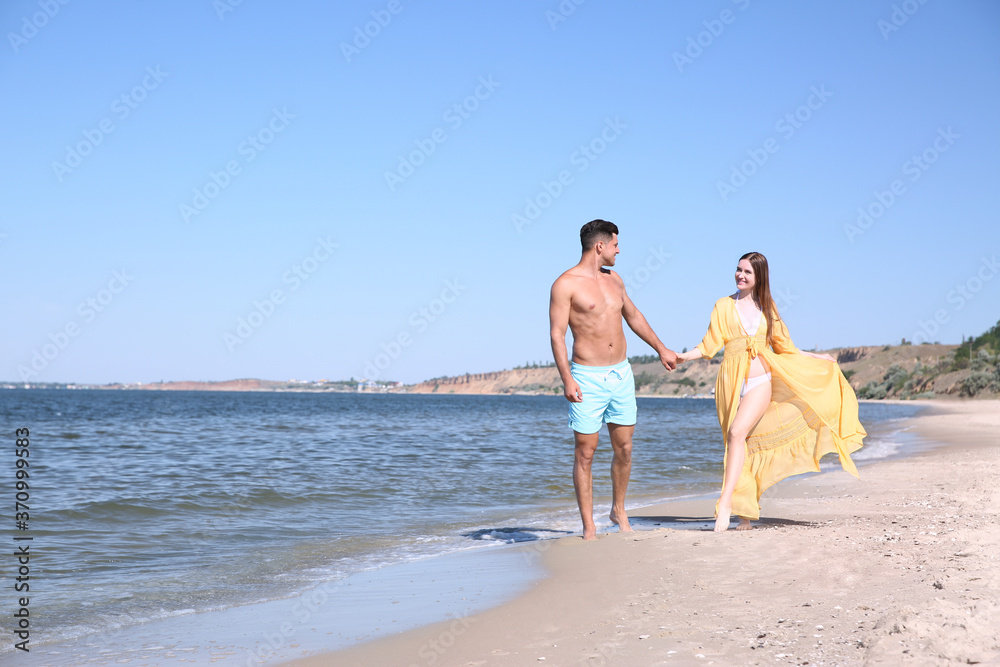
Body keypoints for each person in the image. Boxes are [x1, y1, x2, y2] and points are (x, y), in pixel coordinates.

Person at [676, 252, 866, 532]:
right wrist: (681, 358)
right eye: (738, 270)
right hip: (730, 384)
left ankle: (725, 505)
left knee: (736, 434)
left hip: (760, 382)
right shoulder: (723, 306)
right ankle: (745, 517)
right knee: (741, 445)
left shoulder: (768, 307)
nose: (740, 275)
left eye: (747, 272)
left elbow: (785, 346)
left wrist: (816, 357)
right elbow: (708, 346)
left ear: (759, 277)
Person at [549, 220, 679, 540]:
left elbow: (633, 315)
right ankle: (589, 527)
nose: (619, 250)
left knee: (624, 448)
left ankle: (618, 509)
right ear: (600, 246)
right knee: (586, 453)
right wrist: (567, 379)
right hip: (587, 377)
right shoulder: (565, 284)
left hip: (621, 373)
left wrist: (661, 348)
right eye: (616, 244)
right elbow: (557, 335)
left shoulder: (615, 280)